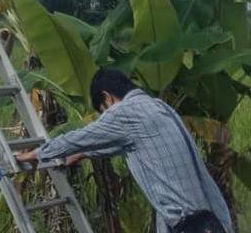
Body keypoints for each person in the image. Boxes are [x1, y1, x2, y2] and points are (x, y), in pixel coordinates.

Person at [15, 68, 232, 233]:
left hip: (190, 225)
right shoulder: (158, 107)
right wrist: (83, 154)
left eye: (103, 111)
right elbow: (127, 144)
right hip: (210, 220)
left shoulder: (124, 112)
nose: (106, 116)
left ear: (107, 97)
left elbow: (80, 137)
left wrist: (35, 154)